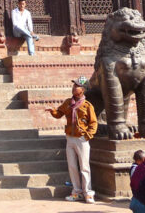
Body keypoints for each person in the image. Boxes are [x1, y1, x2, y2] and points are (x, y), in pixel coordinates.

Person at [45, 76, 97, 204]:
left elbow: (93, 123)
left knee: (84, 167)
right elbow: (59, 114)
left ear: (83, 89)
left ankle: (88, 193)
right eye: (74, 85)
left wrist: (87, 135)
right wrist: (53, 111)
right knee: (72, 166)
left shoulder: (87, 105)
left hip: (81, 138)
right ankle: (77, 192)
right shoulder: (68, 102)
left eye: (77, 86)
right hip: (70, 138)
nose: (74, 88)